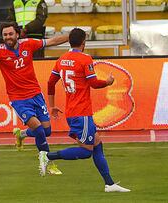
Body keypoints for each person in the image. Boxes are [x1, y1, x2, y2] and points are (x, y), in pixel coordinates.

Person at [0, 21, 68, 175]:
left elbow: (52, 41)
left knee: (47, 131)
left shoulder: (28, 44)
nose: (8, 37)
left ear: (17, 34)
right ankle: (48, 163)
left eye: (10, 34)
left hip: (36, 94)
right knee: (40, 130)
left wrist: (72, 36)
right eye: (5, 35)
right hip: (19, 99)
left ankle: (20, 134)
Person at [42, 28, 130, 192]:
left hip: (75, 111)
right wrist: (108, 82)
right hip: (81, 112)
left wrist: (52, 105)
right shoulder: (85, 59)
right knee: (86, 151)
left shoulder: (61, 59)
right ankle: (47, 156)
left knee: (97, 143)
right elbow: (94, 83)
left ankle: (109, 184)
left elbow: (50, 83)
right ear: (84, 42)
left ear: (70, 41)